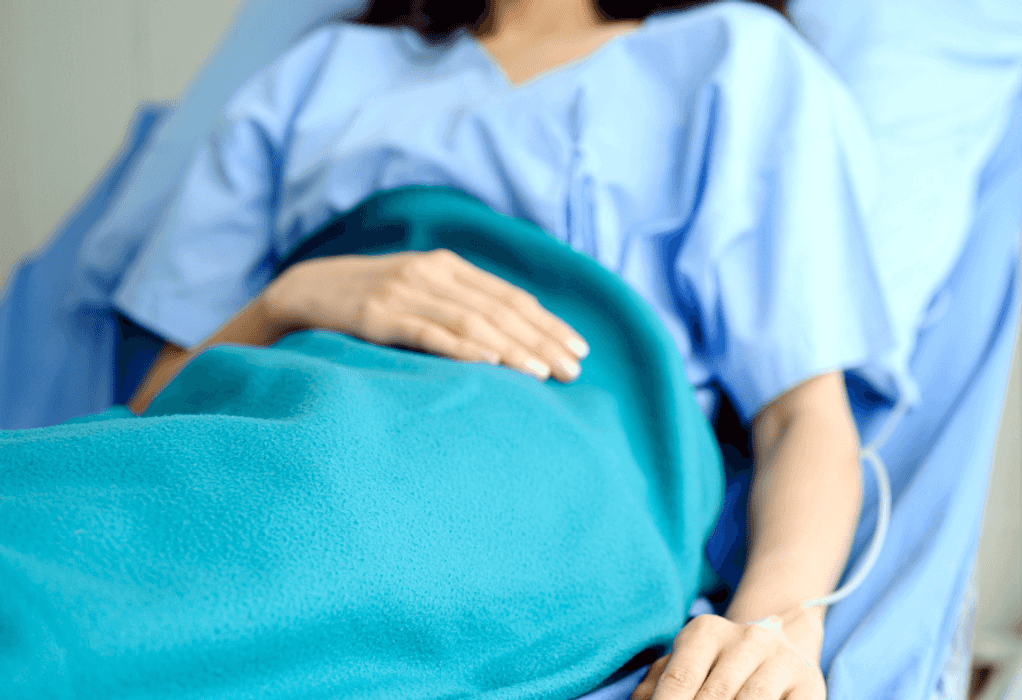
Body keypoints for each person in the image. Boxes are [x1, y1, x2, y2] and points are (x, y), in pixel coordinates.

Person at [111, 1, 897, 699]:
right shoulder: (316, 74)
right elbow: (157, 405)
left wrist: (772, 631)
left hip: (527, 468)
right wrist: (292, 297)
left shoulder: (735, 57)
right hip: (258, 430)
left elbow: (801, 415)